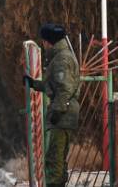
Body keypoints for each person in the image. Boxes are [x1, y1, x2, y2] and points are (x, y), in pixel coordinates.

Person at [24, 23, 80, 187]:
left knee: (54, 160)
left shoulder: (61, 59)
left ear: (49, 41)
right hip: (65, 114)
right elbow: (54, 85)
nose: (43, 44)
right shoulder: (61, 56)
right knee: (58, 160)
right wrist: (34, 84)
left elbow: (64, 90)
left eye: (44, 41)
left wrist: (56, 111)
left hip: (62, 116)